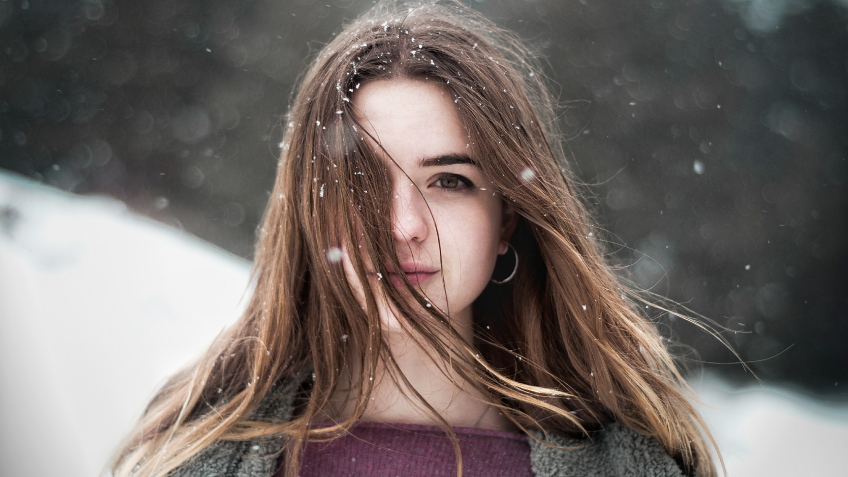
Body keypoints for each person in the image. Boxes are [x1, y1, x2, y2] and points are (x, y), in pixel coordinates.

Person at [110, 1, 720, 476]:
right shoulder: (196, 451)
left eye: (449, 181)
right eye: (362, 182)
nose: (402, 225)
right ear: (311, 214)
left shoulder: (628, 462)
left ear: (506, 218)